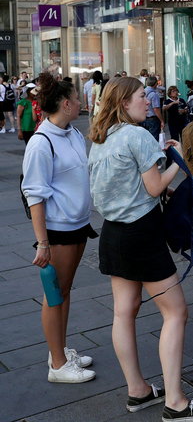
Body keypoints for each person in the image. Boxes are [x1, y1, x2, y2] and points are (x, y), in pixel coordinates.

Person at [88, 77, 193, 422]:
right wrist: (179, 162)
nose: (148, 101)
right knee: (176, 312)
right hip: (142, 234)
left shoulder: (101, 139)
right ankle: (175, 401)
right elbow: (154, 186)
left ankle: (138, 390)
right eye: (141, 96)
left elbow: (125, 184)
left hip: (112, 234)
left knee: (123, 312)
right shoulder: (138, 135)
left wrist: (157, 158)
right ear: (124, 102)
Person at [22, 72, 97, 384]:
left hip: (78, 225)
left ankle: (61, 352)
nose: (81, 102)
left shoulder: (72, 133)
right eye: (77, 98)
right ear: (66, 104)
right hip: (58, 230)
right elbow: (34, 195)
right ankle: (57, 364)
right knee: (54, 294)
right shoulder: (41, 143)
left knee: (64, 292)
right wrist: (42, 243)